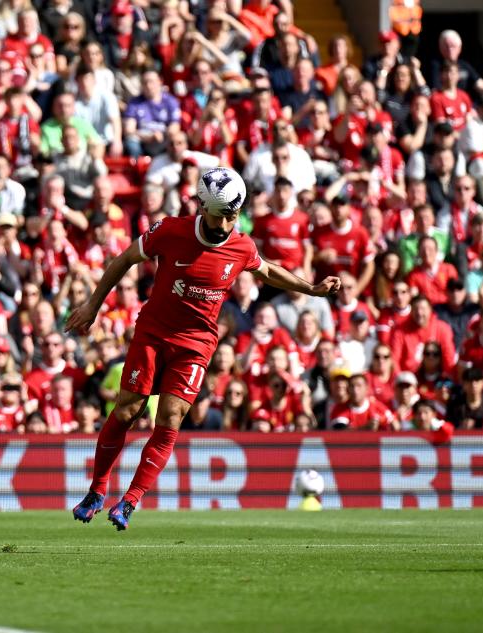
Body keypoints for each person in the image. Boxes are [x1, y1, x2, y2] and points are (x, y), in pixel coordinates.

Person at [67, 167, 341, 530]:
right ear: (202, 208)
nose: (229, 221)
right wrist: (93, 305)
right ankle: (97, 489)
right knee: (127, 411)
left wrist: (312, 288)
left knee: (170, 418)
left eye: (234, 214)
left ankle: (130, 502)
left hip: (196, 344)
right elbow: (123, 260)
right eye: (222, 214)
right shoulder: (170, 231)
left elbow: (269, 271)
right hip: (153, 333)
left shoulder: (241, 246)